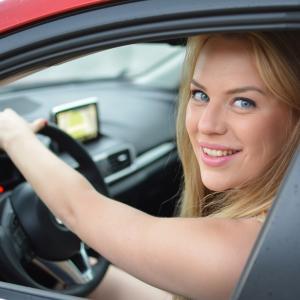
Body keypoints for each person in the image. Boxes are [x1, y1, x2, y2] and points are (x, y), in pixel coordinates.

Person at [0, 31, 299, 300]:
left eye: (243, 102)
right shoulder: (276, 226)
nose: (206, 124)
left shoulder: (253, 247)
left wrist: (13, 134)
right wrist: (76, 275)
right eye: (200, 95)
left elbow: (81, 211)